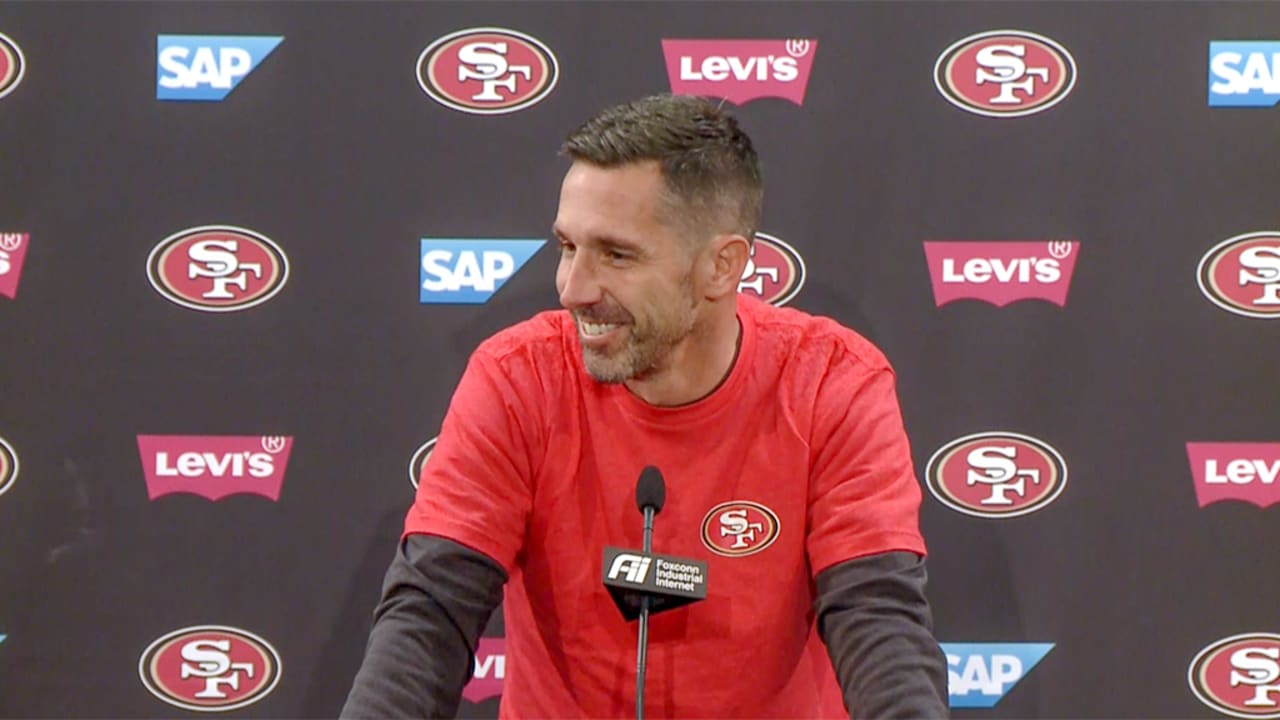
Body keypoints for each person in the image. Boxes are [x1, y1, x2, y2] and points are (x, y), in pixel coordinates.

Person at [341, 94, 948, 718]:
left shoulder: (833, 385)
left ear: (721, 266)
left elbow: (880, 622)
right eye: (567, 247)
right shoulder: (516, 379)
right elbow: (431, 610)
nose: (572, 289)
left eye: (616, 255)